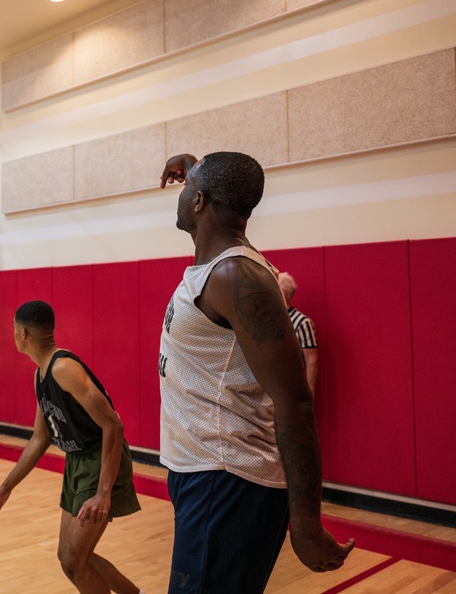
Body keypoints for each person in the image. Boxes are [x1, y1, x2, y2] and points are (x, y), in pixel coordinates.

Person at [158, 152, 354, 592]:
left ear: (199, 201)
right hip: (203, 474)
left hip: (227, 481)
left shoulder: (236, 275)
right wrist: (192, 165)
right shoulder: (217, 266)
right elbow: (215, 184)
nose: (184, 189)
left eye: (190, 186)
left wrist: (305, 521)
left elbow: (296, 402)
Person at [0, 301, 141, 594]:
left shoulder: (63, 368)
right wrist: (6, 488)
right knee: (70, 558)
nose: (13, 334)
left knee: (74, 561)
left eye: (14, 329)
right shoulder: (40, 374)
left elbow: (113, 426)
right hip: (77, 461)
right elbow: (40, 439)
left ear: (24, 333)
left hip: (99, 458)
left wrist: (103, 493)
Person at [277, 272, 320, 396]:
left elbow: (311, 358)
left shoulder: (302, 322)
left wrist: (310, 391)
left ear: (283, 293)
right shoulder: (272, 320)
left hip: (293, 388)